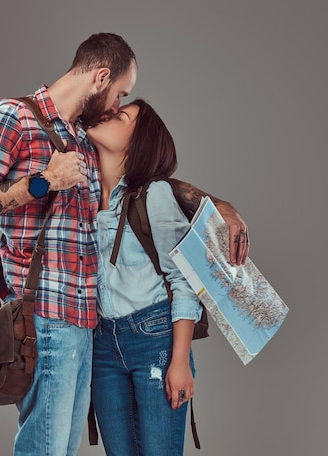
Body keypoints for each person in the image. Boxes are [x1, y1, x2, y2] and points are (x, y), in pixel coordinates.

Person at [0, 33, 248, 456]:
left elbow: (144, 177)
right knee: (47, 448)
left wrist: (221, 206)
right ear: (102, 77)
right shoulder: (14, 116)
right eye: (120, 94)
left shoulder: (83, 141)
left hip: (86, 326)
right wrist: (43, 182)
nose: (116, 106)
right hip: (42, 319)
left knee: (64, 449)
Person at [87, 98, 237, 455]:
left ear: (137, 143)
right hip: (102, 344)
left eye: (121, 116)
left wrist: (180, 361)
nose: (109, 114)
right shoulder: (83, 200)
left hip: (154, 338)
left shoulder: (154, 194)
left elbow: (184, 281)